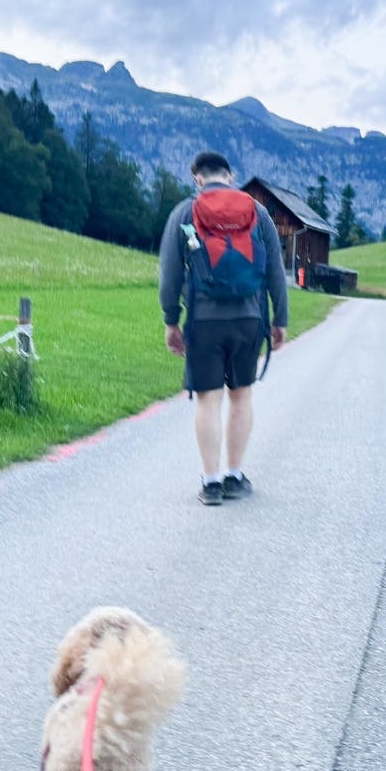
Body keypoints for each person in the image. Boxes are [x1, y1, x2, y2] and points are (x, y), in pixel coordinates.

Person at [158, 152, 289, 506]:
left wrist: (172, 321)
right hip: (250, 319)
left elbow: (170, 274)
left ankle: (211, 482)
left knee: (208, 399)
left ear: (197, 178)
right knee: (241, 396)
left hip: (204, 320)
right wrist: (280, 321)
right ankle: (234, 475)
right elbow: (276, 271)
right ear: (230, 176)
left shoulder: (185, 213)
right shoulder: (257, 212)